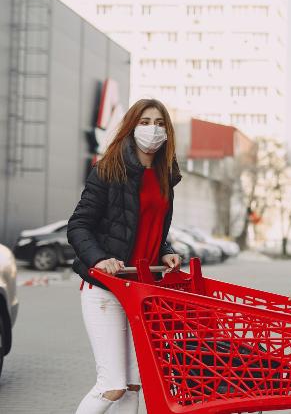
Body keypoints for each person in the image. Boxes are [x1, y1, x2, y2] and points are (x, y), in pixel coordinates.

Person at [68, 99, 182, 414]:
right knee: (112, 386)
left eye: (159, 123)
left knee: (134, 385)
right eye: (145, 122)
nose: (152, 130)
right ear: (131, 127)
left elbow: (152, 230)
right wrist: (99, 259)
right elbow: (78, 226)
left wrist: (167, 252)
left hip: (143, 292)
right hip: (106, 288)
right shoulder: (108, 170)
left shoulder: (165, 177)